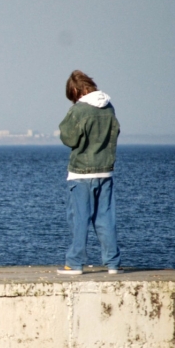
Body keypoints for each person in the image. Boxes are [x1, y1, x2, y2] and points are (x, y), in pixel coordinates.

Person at [57, 70, 121, 275]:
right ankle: (113, 263)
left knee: (79, 218)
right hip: (106, 171)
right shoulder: (109, 107)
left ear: (76, 91)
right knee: (105, 219)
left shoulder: (79, 110)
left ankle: (74, 263)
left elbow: (69, 139)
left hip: (81, 172)